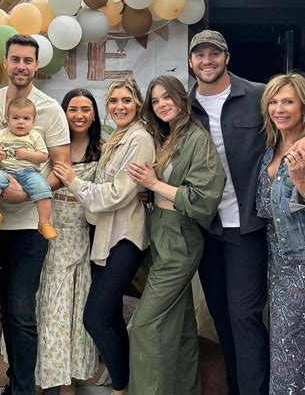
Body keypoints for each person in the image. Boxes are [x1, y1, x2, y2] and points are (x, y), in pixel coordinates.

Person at [0, 34, 70, 395]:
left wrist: (29, 192)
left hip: (31, 227)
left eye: (28, 60)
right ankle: (15, 382)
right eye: (15, 59)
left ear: (37, 65)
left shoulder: (49, 109)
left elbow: (62, 166)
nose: (21, 66)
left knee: (22, 311)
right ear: (5, 63)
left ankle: (24, 389)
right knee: (6, 308)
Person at [53, 77, 155, 395]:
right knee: (110, 315)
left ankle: (121, 388)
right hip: (104, 236)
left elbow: (115, 194)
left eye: (126, 100)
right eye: (113, 101)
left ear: (138, 104)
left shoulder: (139, 139)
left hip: (125, 237)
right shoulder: (116, 139)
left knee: (95, 318)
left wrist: (73, 181)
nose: (119, 106)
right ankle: (123, 381)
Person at [127, 75, 226, 395]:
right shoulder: (169, 136)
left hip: (179, 238)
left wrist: (154, 184)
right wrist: (151, 193)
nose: (161, 104)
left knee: (145, 326)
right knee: (180, 327)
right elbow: (166, 187)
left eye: (167, 97)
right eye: (155, 100)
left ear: (182, 98)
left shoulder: (197, 138)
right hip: (159, 232)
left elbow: (204, 198)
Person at [188, 30, 270, 394]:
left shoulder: (258, 95)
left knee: (245, 316)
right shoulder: (185, 105)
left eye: (214, 53)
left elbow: (289, 131)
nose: (207, 61)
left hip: (246, 227)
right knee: (220, 317)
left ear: (226, 57)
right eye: (200, 55)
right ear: (191, 61)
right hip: (206, 228)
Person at [35, 89, 101, 395]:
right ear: (63, 113)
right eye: (73, 109)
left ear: (94, 114)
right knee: (46, 309)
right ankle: (39, 376)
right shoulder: (50, 144)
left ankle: (67, 382)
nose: (79, 115)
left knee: (71, 313)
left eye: (85, 109)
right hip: (47, 234)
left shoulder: (102, 150)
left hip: (79, 238)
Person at [256, 73, 305, 394]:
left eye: (288, 101)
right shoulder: (270, 149)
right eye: (273, 102)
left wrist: (302, 182)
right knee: (286, 346)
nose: (279, 108)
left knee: (290, 348)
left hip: (302, 263)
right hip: (278, 265)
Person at [0, 97, 56, 239]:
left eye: (26, 118)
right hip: (6, 171)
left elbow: (43, 156)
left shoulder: (34, 136)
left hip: (29, 172)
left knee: (42, 186)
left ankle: (44, 222)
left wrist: (27, 155)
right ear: (7, 120)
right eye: (15, 118)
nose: (20, 122)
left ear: (33, 122)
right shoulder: (2, 134)